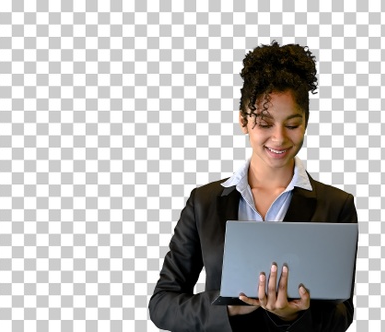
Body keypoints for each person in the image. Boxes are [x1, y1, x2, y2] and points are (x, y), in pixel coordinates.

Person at [149, 41, 358, 332]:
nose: (279, 137)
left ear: (306, 123)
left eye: (293, 124)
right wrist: (230, 306)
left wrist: (290, 316)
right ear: (244, 121)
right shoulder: (204, 202)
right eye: (264, 123)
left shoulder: (336, 205)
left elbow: (341, 314)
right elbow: (162, 305)